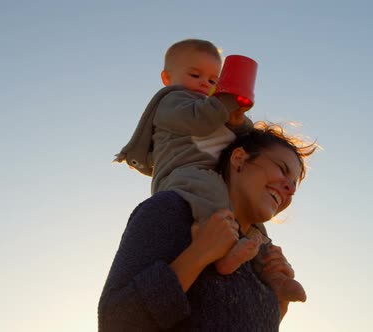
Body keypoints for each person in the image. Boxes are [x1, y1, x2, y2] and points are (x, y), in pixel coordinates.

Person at [100, 122, 317, 331]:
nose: (290, 189)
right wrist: (199, 253)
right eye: (282, 168)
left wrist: (276, 305)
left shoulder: (259, 259)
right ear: (240, 159)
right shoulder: (173, 210)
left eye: (294, 185)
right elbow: (114, 322)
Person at [114, 38, 262, 276]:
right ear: (167, 78)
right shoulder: (172, 101)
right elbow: (199, 121)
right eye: (195, 75)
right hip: (185, 174)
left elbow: (241, 136)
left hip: (216, 175)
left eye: (214, 80)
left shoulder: (214, 107)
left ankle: (272, 270)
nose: (205, 83)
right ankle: (221, 250)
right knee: (211, 191)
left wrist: (238, 122)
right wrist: (225, 100)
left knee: (253, 218)